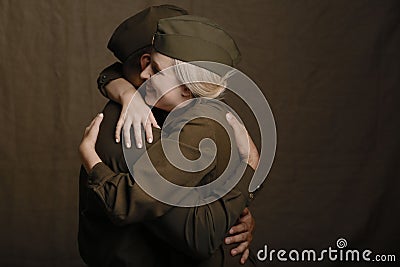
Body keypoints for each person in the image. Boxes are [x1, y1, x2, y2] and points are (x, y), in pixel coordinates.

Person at [79, 8, 260, 267]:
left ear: (187, 87)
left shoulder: (198, 125)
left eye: (155, 68)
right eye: (146, 63)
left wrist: (240, 207)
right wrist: (246, 176)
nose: (144, 74)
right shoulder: (133, 130)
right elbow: (200, 237)